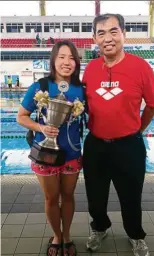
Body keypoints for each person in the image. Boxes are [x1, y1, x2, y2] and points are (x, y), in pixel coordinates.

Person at [82, 13, 154, 256]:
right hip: (95, 145)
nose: (108, 38)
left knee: (131, 196)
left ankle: (136, 235)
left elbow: (153, 104)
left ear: (124, 34)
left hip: (129, 146)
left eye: (113, 31)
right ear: (94, 38)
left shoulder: (140, 67)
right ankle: (99, 228)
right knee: (95, 195)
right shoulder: (91, 69)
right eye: (101, 33)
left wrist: (137, 129)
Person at [17, 40, 84, 256]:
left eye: (72, 57)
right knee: (51, 198)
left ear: (77, 62)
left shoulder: (81, 89)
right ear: (53, 60)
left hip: (72, 153)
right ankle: (57, 235)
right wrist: (41, 127)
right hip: (45, 153)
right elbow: (21, 117)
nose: (67, 62)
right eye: (62, 57)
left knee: (69, 195)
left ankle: (67, 236)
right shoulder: (40, 87)